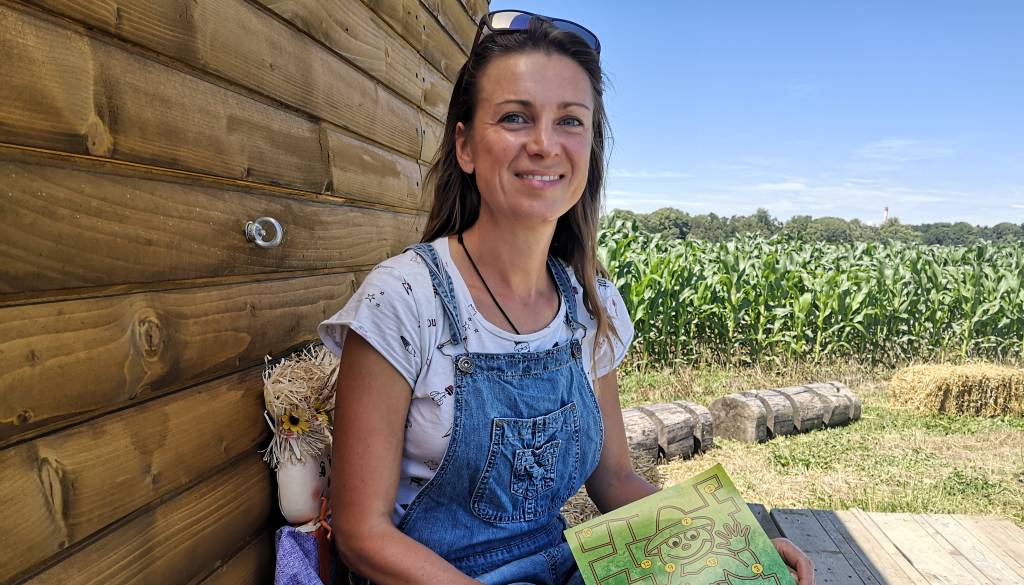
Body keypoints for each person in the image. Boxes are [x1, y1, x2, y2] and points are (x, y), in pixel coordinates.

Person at [318, 10, 814, 585]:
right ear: (466, 145)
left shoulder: (589, 301)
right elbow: (362, 533)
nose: (544, 144)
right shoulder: (404, 298)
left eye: (570, 121)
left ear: (590, 149)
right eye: (515, 117)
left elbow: (614, 480)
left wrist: (733, 544)